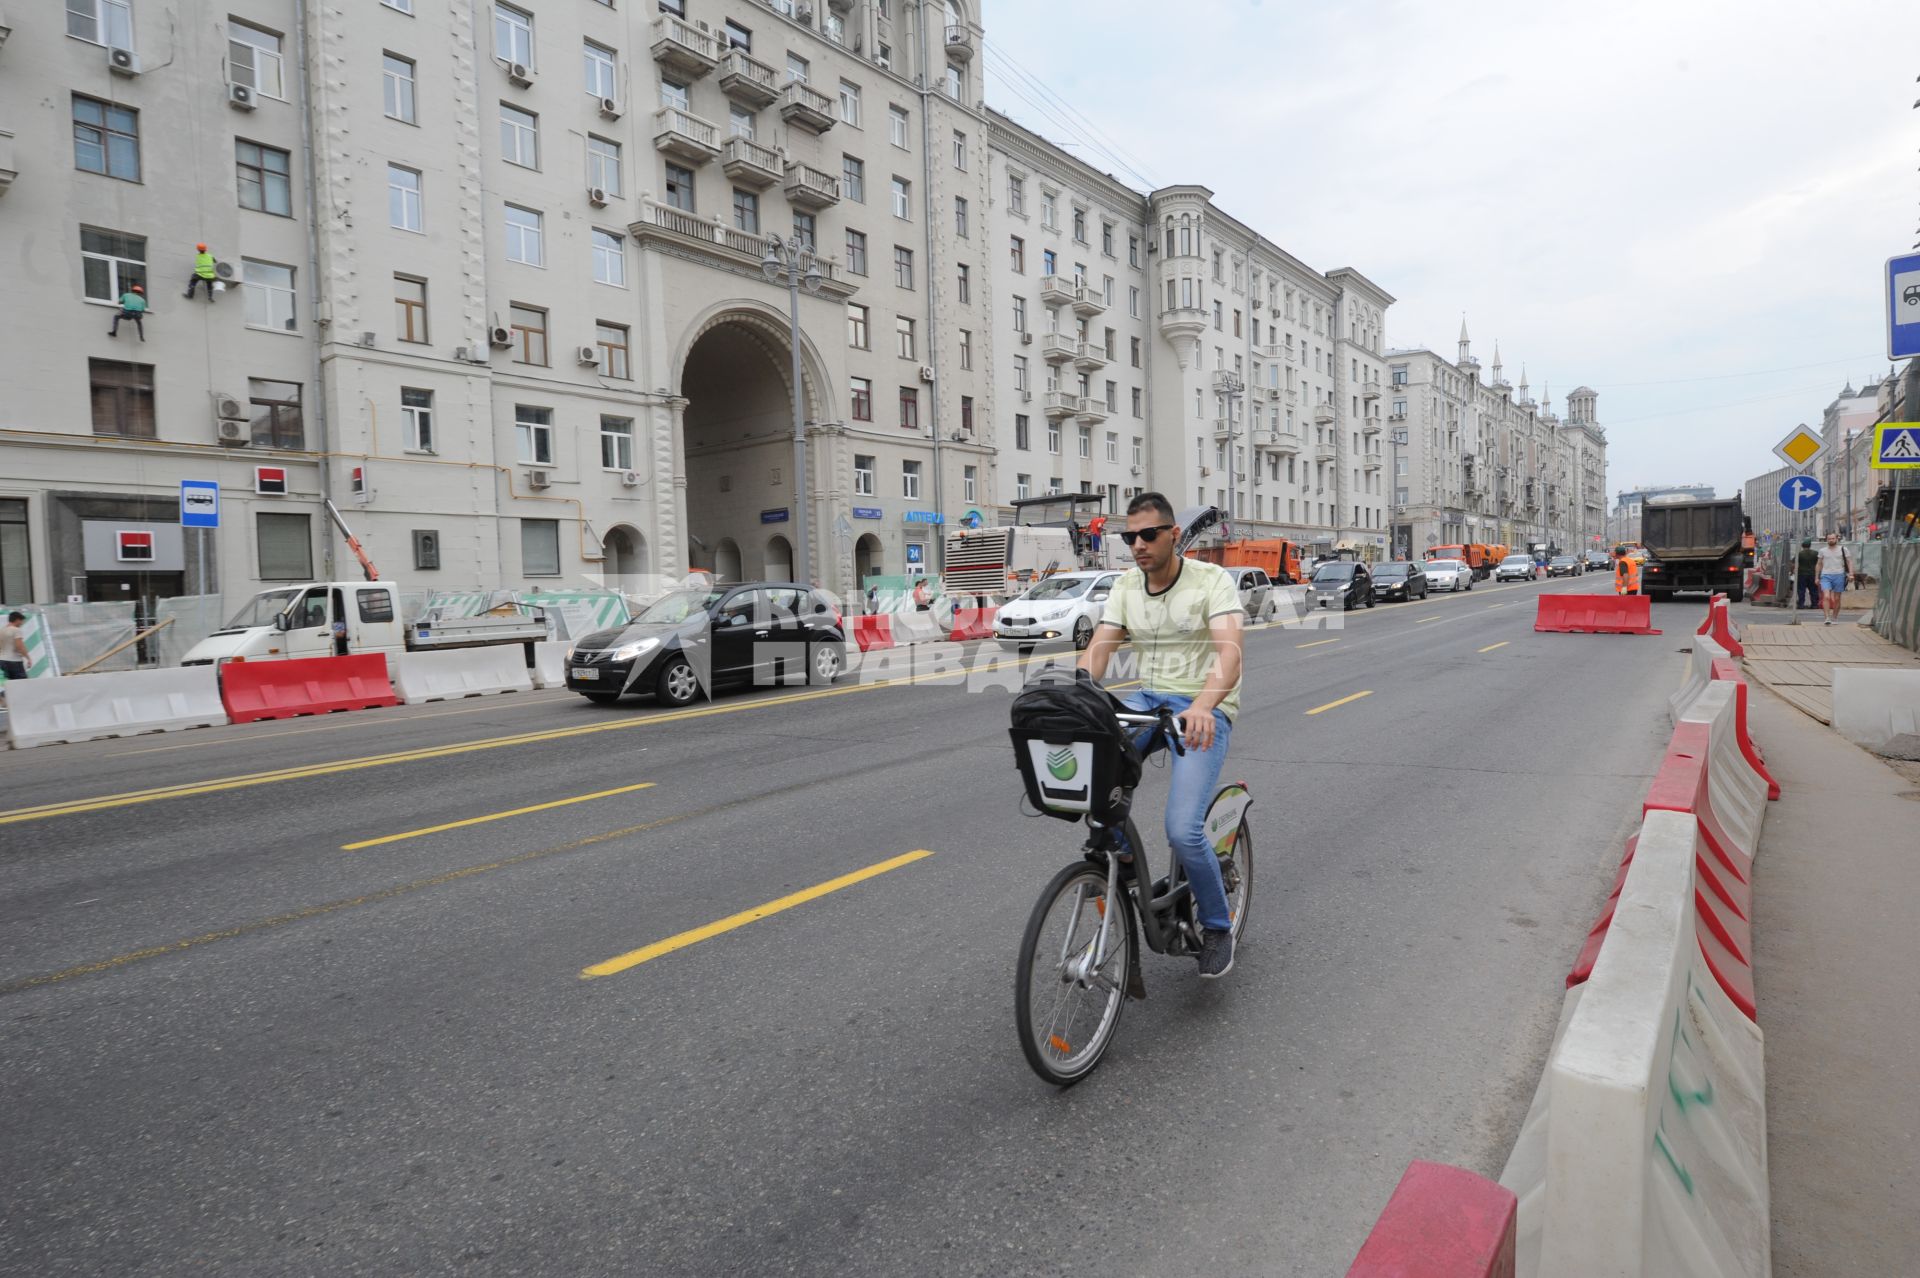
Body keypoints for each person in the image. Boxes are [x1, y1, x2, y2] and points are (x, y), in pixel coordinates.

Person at [1078, 492, 1245, 979]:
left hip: (1203, 707)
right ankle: (1125, 862)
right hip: (1149, 702)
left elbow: (1230, 654)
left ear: (1174, 535)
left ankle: (1217, 927)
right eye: (1130, 536)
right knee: (1094, 785)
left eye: (1149, 534)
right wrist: (1076, 694)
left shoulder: (1210, 581)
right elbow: (1099, 652)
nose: (1138, 545)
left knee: (1182, 829)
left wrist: (1202, 705)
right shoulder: (1127, 586)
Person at [1816, 533, 1851, 625]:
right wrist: (1816, 577)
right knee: (1826, 596)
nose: (1831, 540)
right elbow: (1819, 564)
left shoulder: (1843, 549)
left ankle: (1834, 617)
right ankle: (1827, 617)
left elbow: (1849, 562)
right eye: (1829, 539)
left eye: (1833, 538)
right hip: (1825, 575)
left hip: (1839, 575)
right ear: (1826, 540)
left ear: (1836, 539)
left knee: (1837, 598)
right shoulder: (1822, 551)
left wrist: (1851, 574)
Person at [0, 611, 29, 689]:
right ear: (17, 620)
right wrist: (28, 658)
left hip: (2, 661)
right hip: (14, 661)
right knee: (22, 684)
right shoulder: (16, 630)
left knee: (8, 685)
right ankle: (22, 700)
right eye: (21, 621)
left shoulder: (2, 630)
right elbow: (19, 646)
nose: (22, 623)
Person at [1794, 538, 1818, 610]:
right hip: (1812, 574)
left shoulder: (1800, 554)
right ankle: (1814, 604)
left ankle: (1801, 604)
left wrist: (1793, 571)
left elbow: (1793, 563)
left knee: (1801, 590)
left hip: (1802, 574)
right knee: (1813, 590)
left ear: (1802, 545)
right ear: (1810, 545)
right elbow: (1819, 563)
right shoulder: (1815, 553)